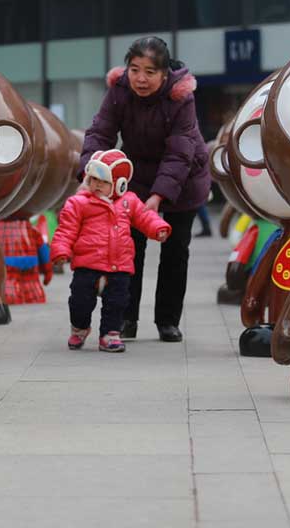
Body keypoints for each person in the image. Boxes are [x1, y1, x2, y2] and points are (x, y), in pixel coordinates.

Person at [79, 36, 211, 342]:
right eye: (135, 69)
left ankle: (167, 320)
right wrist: (90, 174)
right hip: (136, 177)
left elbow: (180, 152)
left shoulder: (181, 98)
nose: (140, 78)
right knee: (127, 249)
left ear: (165, 74)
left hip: (184, 178)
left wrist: (159, 196)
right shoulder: (119, 91)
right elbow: (100, 132)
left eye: (150, 72)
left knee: (175, 250)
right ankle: (126, 318)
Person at [52, 150, 170, 352]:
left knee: (117, 303)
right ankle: (79, 328)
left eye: (103, 181)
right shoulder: (78, 203)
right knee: (79, 301)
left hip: (119, 266)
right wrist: (61, 250)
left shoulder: (129, 201)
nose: (97, 185)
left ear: (119, 184)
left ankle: (109, 334)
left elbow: (145, 217)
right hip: (87, 265)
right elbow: (66, 229)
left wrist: (158, 228)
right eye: (93, 179)